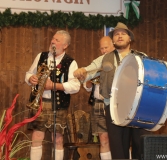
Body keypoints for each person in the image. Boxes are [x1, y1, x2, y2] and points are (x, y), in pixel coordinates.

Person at [73, 22, 150, 159]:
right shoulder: (104, 59)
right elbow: (89, 70)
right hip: (114, 108)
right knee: (118, 148)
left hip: (138, 107)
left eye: (123, 34)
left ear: (129, 38)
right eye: (116, 34)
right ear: (113, 40)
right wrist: (82, 71)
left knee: (141, 145)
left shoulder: (141, 56)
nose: (119, 36)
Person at [25, 30, 80, 160]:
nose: (53, 41)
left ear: (65, 45)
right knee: (37, 136)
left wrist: (54, 86)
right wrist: (30, 78)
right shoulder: (41, 56)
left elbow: (75, 86)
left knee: (58, 139)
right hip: (40, 102)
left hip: (59, 105)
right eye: (53, 39)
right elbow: (28, 73)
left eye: (57, 40)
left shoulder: (70, 62)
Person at [83, 36, 115, 159]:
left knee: (120, 138)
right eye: (101, 48)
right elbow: (87, 86)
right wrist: (89, 82)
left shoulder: (119, 62)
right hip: (98, 103)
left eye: (106, 47)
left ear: (113, 46)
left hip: (114, 104)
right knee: (103, 138)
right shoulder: (97, 63)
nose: (103, 51)